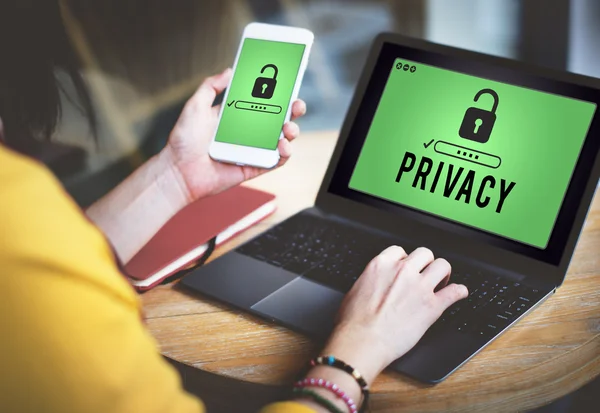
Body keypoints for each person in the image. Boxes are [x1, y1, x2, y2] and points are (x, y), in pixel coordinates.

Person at [0, 2, 468, 412]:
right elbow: (33, 268)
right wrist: (361, 346)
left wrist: (175, 176)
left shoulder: (21, 207)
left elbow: (53, 254)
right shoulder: (17, 217)